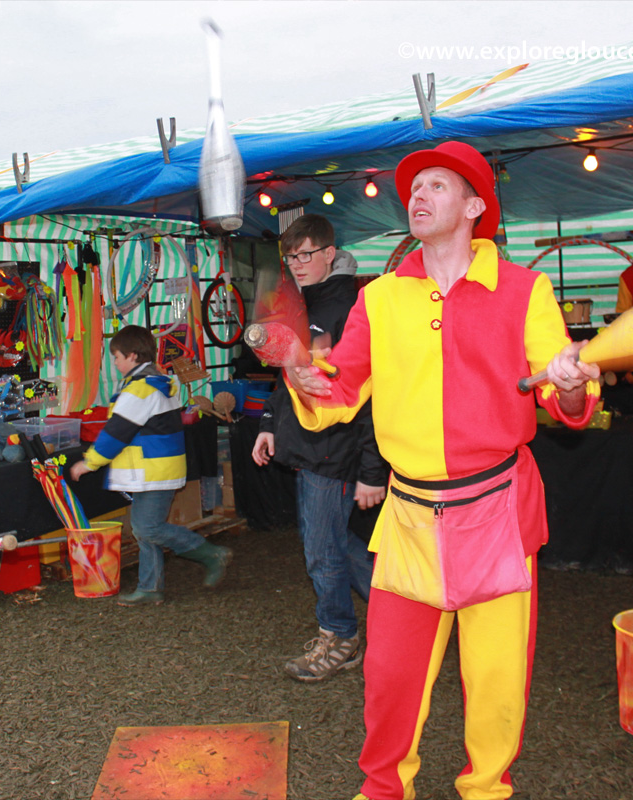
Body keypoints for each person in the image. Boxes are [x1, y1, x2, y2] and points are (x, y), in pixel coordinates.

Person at [281, 141, 600, 800]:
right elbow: (341, 389)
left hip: (498, 510)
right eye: (414, 187)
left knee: (497, 678)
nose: (418, 196)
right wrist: (308, 377)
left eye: (437, 185)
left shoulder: (526, 291)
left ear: (475, 207)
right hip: (409, 515)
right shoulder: (379, 299)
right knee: (390, 675)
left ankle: (486, 790)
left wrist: (570, 385)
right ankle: (382, 789)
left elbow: (564, 400)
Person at [251, 214, 388, 683]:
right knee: (336, 544)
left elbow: (373, 392)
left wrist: (371, 470)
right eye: (290, 256)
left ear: (330, 253)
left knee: (322, 551)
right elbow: (289, 372)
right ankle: (401, 613)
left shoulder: (352, 308)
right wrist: (270, 424)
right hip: (311, 448)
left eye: (306, 254)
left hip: (335, 453)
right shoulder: (300, 302)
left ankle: (340, 637)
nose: (297, 263)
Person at [69, 325, 232, 606]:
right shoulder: (155, 382)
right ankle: (150, 587)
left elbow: (117, 432)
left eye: (117, 357)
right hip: (153, 470)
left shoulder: (140, 389)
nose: (115, 362)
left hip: (153, 471)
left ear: (132, 356)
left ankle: (211, 554)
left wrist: (89, 463)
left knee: (148, 528)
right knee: (145, 529)